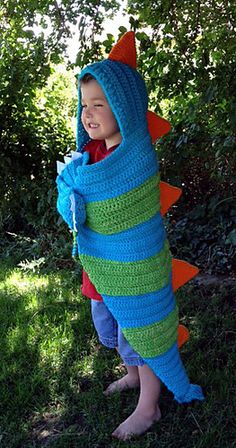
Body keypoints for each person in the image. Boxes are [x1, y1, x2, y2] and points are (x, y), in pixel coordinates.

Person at [56, 31, 204, 441]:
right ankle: (133, 375)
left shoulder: (134, 159)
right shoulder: (89, 155)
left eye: (99, 105)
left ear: (124, 107)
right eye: (84, 105)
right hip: (100, 269)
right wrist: (68, 191)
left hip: (135, 271)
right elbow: (72, 194)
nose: (89, 114)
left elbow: (128, 213)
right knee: (111, 329)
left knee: (142, 332)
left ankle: (149, 405)